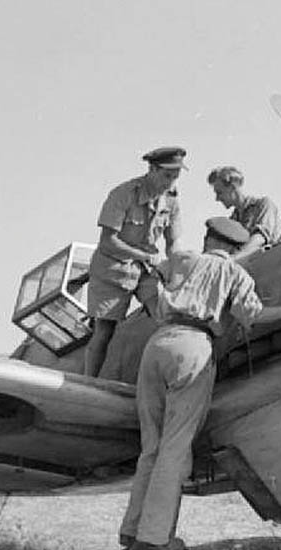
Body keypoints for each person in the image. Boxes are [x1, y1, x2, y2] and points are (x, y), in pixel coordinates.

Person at [119, 217, 281, 550]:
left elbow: (143, 281)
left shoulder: (182, 259)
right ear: (235, 249)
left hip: (157, 343)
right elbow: (251, 315)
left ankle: (132, 529)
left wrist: (158, 303)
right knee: (176, 447)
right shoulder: (235, 273)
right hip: (194, 347)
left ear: (207, 238)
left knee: (151, 446)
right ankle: (154, 539)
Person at [83, 147, 187, 377]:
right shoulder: (123, 194)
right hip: (113, 268)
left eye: (176, 176)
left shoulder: (171, 201)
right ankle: (87, 381)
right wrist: (145, 256)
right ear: (152, 169)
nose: (171, 182)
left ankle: (169, 375)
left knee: (165, 317)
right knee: (104, 330)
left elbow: (174, 242)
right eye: (167, 176)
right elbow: (107, 242)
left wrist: (177, 265)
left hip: (146, 271)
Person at [206, 166, 281, 261]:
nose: (217, 198)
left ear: (232, 187)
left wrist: (233, 259)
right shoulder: (233, 220)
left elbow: (260, 239)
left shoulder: (263, 205)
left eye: (220, 192)